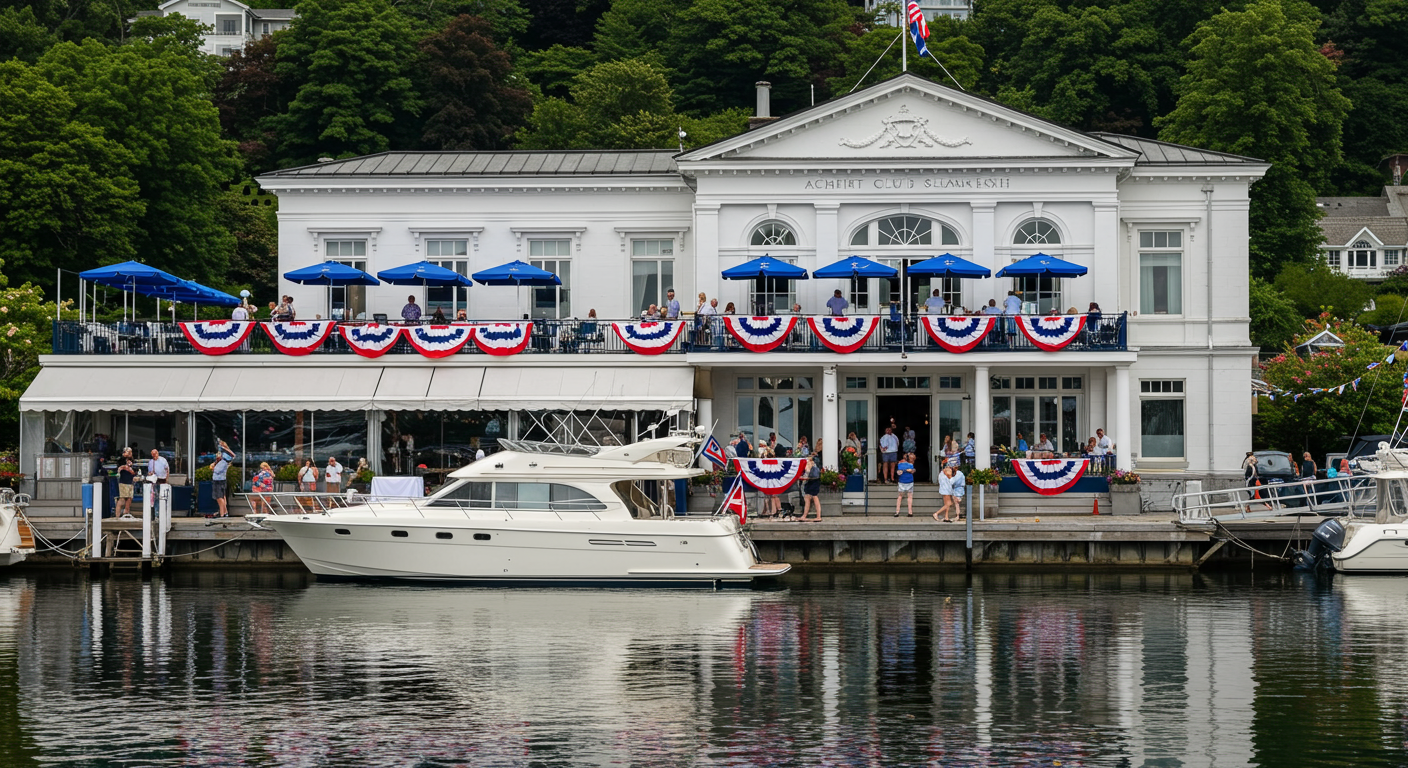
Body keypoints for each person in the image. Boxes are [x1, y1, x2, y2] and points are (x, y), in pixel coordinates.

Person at [210, 440, 235, 518]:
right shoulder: (220, 462)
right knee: (222, 497)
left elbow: (217, 470)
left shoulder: (223, 462)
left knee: (219, 498)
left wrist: (213, 467)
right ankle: (224, 512)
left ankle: (222, 514)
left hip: (218, 481)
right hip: (220, 480)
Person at [800, 452, 823, 522]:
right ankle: (805, 515)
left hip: (812, 482)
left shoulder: (811, 465)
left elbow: (809, 474)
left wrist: (803, 477)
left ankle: (818, 516)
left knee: (814, 497)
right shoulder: (814, 465)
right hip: (812, 482)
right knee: (808, 498)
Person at [894, 452, 916, 517]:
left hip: (901, 481)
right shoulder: (911, 465)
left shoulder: (900, 465)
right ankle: (910, 512)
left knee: (900, 496)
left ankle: (897, 512)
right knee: (910, 497)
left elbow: (898, 472)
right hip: (909, 481)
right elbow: (913, 471)